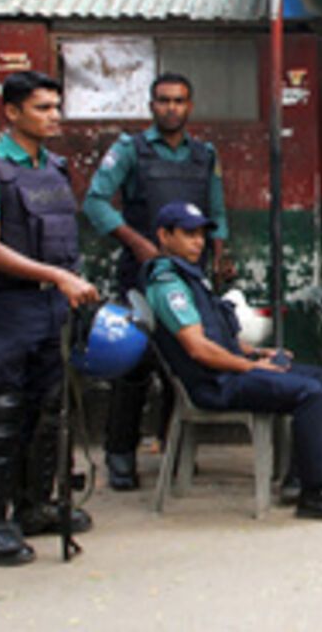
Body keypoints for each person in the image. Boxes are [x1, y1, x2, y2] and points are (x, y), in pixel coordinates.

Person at [143, 202, 322, 520]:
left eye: (201, 234)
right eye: (188, 234)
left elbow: (216, 335)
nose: (198, 241)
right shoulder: (169, 285)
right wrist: (250, 367)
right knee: (310, 393)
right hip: (214, 384)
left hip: (229, 370)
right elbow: (198, 349)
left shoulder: (191, 275)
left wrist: (252, 353)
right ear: (164, 236)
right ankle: (317, 494)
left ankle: (300, 478)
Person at [0, 71, 98, 565]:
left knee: (48, 412)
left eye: (56, 107)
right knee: (1, 413)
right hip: (9, 308)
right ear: (12, 113)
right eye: (42, 108)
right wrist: (57, 277)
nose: (54, 116)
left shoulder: (54, 168)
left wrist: (68, 284)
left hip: (53, 307)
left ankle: (35, 506)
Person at [84, 72, 231, 492]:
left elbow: (216, 210)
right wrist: (138, 244)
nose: (171, 108)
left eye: (179, 101)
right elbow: (95, 201)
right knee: (133, 364)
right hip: (141, 276)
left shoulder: (204, 154)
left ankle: (175, 451)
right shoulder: (131, 150)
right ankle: (120, 456)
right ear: (151, 106)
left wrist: (219, 253)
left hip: (190, 276)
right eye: (163, 100)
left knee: (183, 365)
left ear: (190, 106)